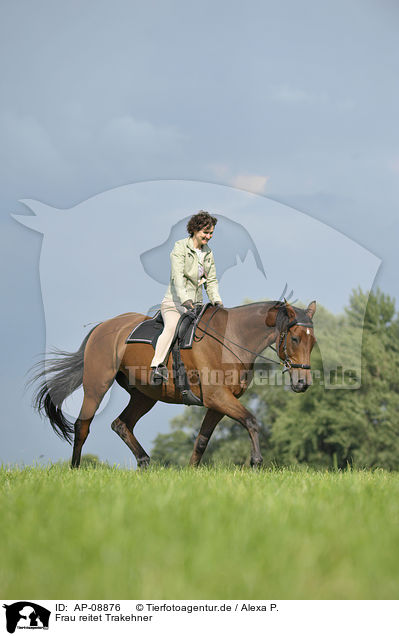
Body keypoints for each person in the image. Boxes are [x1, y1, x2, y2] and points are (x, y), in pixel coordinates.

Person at [150, 210, 223, 383]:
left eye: (211, 233)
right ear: (195, 230)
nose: (209, 236)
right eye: (206, 232)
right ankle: (157, 366)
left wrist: (216, 300)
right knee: (172, 327)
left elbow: (211, 281)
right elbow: (177, 276)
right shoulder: (180, 247)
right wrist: (184, 299)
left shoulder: (208, 253)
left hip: (196, 306)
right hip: (174, 303)